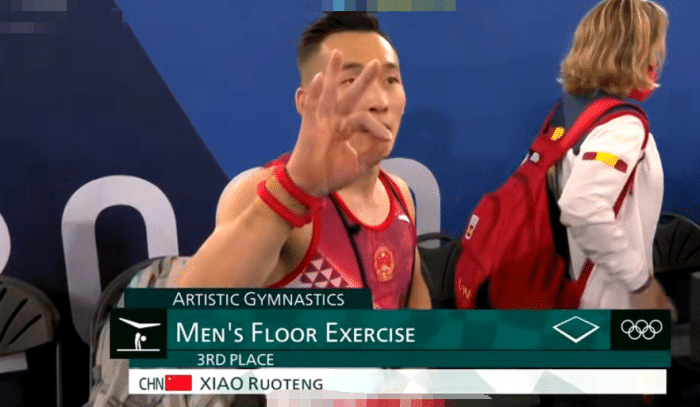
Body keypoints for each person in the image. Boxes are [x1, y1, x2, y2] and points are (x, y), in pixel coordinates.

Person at [174, 11, 432, 309]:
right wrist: (295, 191)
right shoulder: (261, 192)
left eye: (390, 80)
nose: (379, 102)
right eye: (352, 81)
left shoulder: (399, 193)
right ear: (305, 101)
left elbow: (415, 305)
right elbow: (185, 316)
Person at [551, 0, 675, 312]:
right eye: (655, 50)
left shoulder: (570, 115)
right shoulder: (620, 126)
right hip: (608, 302)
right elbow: (582, 207)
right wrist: (642, 284)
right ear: (634, 54)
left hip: (567, 293)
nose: (656, 61)